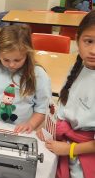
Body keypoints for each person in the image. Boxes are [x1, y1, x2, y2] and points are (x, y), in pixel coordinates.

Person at [37, 10, 95, 178]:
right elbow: (63, 108)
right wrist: (50, 129)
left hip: (83, 153)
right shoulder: (77, 68)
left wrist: (70, 149)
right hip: (64, 143)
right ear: (77, 40)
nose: (93, 50)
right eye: (88, 41)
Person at [0, 25, 51, 133]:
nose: (11, 65)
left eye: (17, 60)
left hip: (21, 129)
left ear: (27, 54)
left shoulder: (38, 74)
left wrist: (31, 124)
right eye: (6, 60)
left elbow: (42, 107)